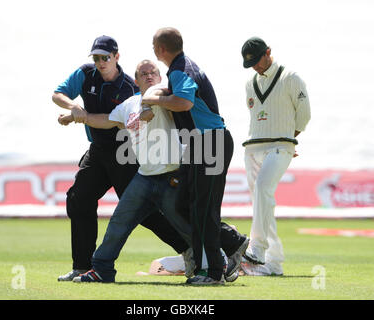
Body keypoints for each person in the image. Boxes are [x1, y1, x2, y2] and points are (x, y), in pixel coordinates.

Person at [58, 60, 249, 284]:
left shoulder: (164, 97)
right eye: (143, 73)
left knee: (186, 223)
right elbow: (107, 120)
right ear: (135, 79)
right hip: (144, 176)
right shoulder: (129, 104)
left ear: (160, 78)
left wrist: (149, 104)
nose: (149, 76)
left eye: (153, 72)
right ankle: (102, 269)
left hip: (172, 175)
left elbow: (158, 91)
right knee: (119, 222)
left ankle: (220, 257)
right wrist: (76, 117)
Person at [52, 35, 190, 281]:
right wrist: (74, 110)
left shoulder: (130, 85)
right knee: (78, 198)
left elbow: (144, 106)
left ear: (117, 57)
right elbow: (58, 94)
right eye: (96, 57)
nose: (100, 62)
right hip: (97, 150)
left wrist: (79, 116)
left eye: (105, 57)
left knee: (145, 211)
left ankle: (189, 250)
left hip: (124, 152)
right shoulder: (86, 74)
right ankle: (82, 266)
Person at [142, 28, 238, 285]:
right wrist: (158, 96)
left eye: (154, 46)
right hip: (201, 143)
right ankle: (220, 256)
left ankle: (214, 272)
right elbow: (179, 96)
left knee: (203, 210)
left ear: (161, 49)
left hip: (210, 142)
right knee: (187, 205)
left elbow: (184, 102)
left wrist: (156, 101)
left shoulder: (180, 68)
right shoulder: (181, 67)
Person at [240, 37, 311, 276]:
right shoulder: (250, 82)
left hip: (280, 146)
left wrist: (287, 139)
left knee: (262, 190)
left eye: (257, 60)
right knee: (261, 201)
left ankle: (257, 249)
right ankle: (274, 262)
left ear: (268, 52)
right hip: (253, 147)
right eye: (250, 63)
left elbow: (304, 114)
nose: (255, 66)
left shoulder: (291, 77)